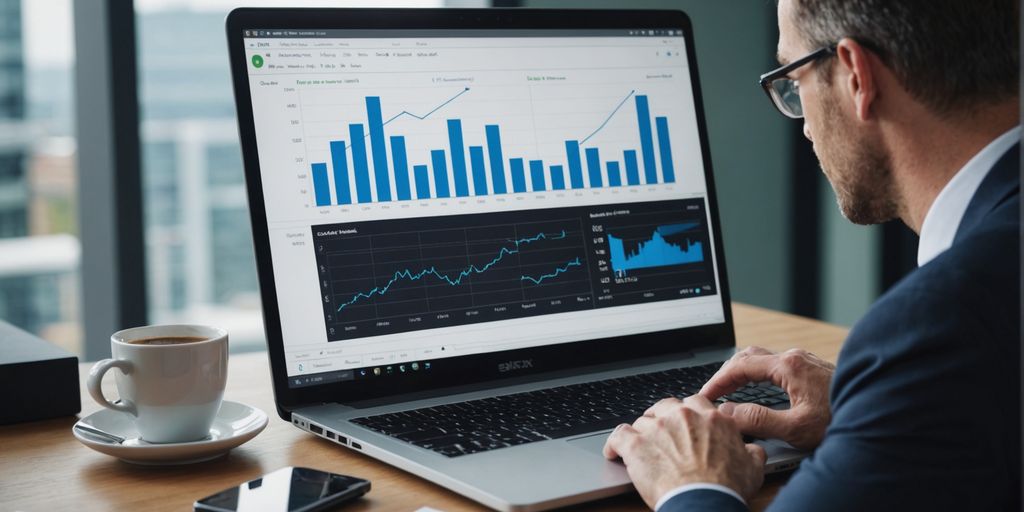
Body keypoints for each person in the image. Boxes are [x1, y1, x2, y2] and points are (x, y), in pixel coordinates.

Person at [603, 0, 1021, 510]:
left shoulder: (940, 325)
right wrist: (867, 403)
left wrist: (693, 484)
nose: (802, 125)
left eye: (793, 78)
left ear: (855, 75)